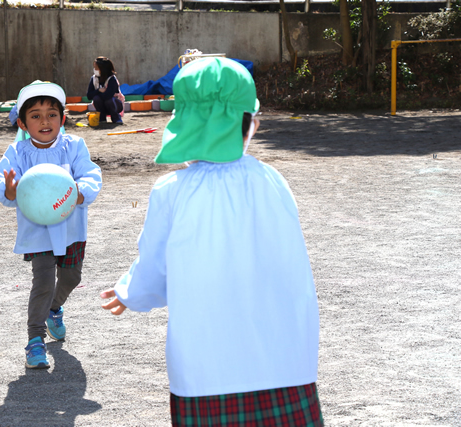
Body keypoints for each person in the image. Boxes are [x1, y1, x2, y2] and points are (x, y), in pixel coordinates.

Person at [100, 58, 323, 426]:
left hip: (206, 367)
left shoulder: (172, 191)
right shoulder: (273, 181)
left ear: (185, 123)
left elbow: (155, 268)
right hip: (285, 359)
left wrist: (130, 292)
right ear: (249, 124)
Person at [0, 80, 102, 369]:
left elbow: (91, 175)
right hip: (38, 231)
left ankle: (55, 307)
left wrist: (82, 191)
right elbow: (2, 187)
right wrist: (10, 189)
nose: (45, 121)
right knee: (42, 282)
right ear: (22, 123)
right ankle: (35, 340)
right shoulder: (17, 152)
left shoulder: (74, 146)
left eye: (52, 114)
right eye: (35, 115)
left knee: (71, 278)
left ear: (62, 118)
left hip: (71, 230)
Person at [86, 56, 124, 124]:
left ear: (102, 69)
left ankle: (116, 118)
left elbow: (108, 95)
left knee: (108, 100)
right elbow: (89, 95)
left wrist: (97, 94)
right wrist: (98, 90)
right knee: (96, 98)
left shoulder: (112, 79)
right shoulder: (94, 78)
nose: (95, 70)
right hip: (102, 105)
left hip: (115, 105)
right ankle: (102, 119)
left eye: (96, 68)